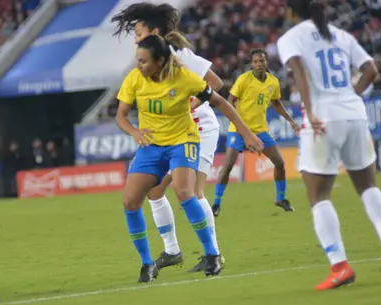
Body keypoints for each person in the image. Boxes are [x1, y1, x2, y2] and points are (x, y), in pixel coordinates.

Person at [278, 0, 381, 290]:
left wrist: (310, 110)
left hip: (323, 118)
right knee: (368, 187)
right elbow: (371, 69)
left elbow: (299, 70)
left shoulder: (291, 37)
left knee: (319, 196)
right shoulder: (341, 35)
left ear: (291, 11)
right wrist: (352, 95)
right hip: (354, 113)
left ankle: (340, 267)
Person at [116, 35, 263, 282]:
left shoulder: (183, 78)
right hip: (151, 146)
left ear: (160, 61)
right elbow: (121, 116)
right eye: (137, 60)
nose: (138, 65)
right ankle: (147, 264)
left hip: (182, 142)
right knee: (130, 202)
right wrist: (134, 131)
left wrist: (246, 132)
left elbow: (219, 100)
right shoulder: (134, 79)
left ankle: (212, 254)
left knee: (185, 192)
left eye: (143, 61)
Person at [111, 2, 225, 274]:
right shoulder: (148, 62)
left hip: (199, 127)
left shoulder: (180, 54)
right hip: (166, 136)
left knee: (192, 192)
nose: (136, 40)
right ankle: (172, 250)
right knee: (154, 191)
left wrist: (190, 105)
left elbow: (216, 84)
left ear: (154, 31)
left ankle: (214, 254)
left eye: (138, 34)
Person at [212, 49, 300, 217]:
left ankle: (281, 198)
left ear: (266, 63)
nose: (259, 64)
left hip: (260, 130)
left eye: (262, 61)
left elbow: (276, 103)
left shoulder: (273, 82)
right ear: (252, 64)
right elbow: (229, 101)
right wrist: (239, 126)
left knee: (280, 162)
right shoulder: (244, 79)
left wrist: (290, 120)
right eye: (256, 61)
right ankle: (216, 203)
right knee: (228, 164)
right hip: (238, 130)